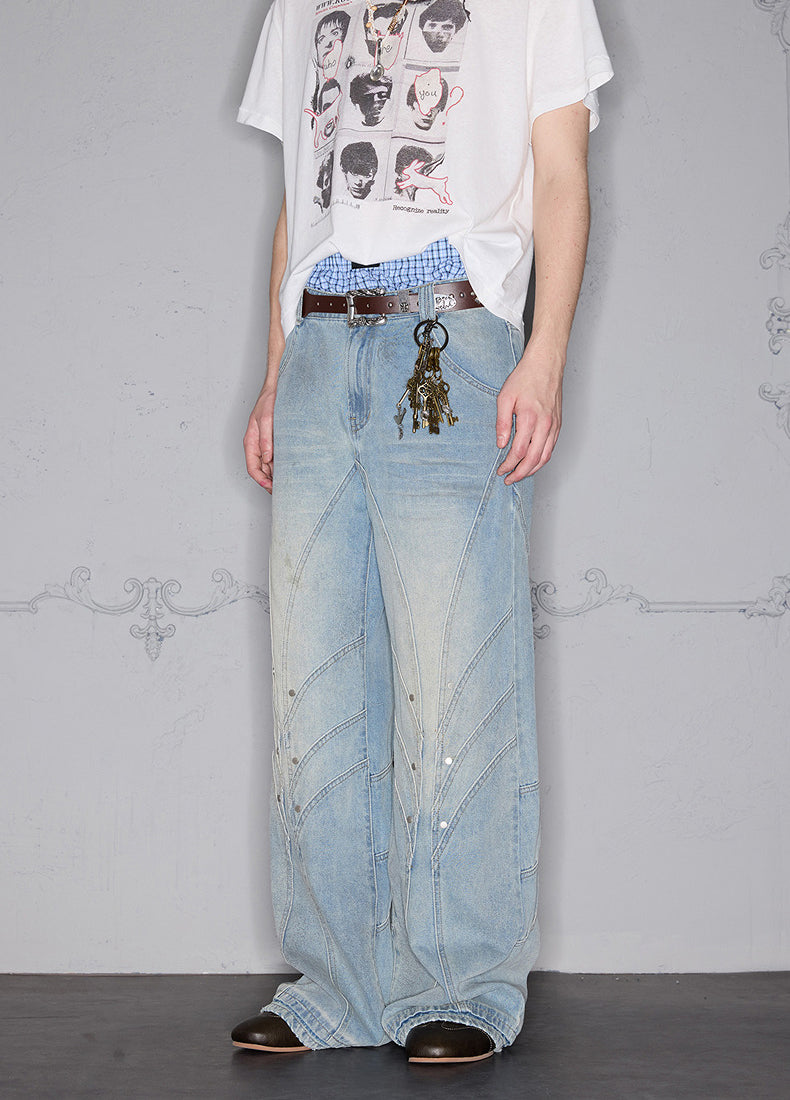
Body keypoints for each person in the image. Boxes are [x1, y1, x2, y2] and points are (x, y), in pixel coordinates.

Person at [233, 0, 613, 1065]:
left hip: (448, 338)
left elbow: (561, 175)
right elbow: (299, 197)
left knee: (458, 675)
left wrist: (544, 354)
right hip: (319, 349)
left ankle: (460, 983)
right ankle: (336, 985)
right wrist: (275, 373)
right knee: (313, 686)